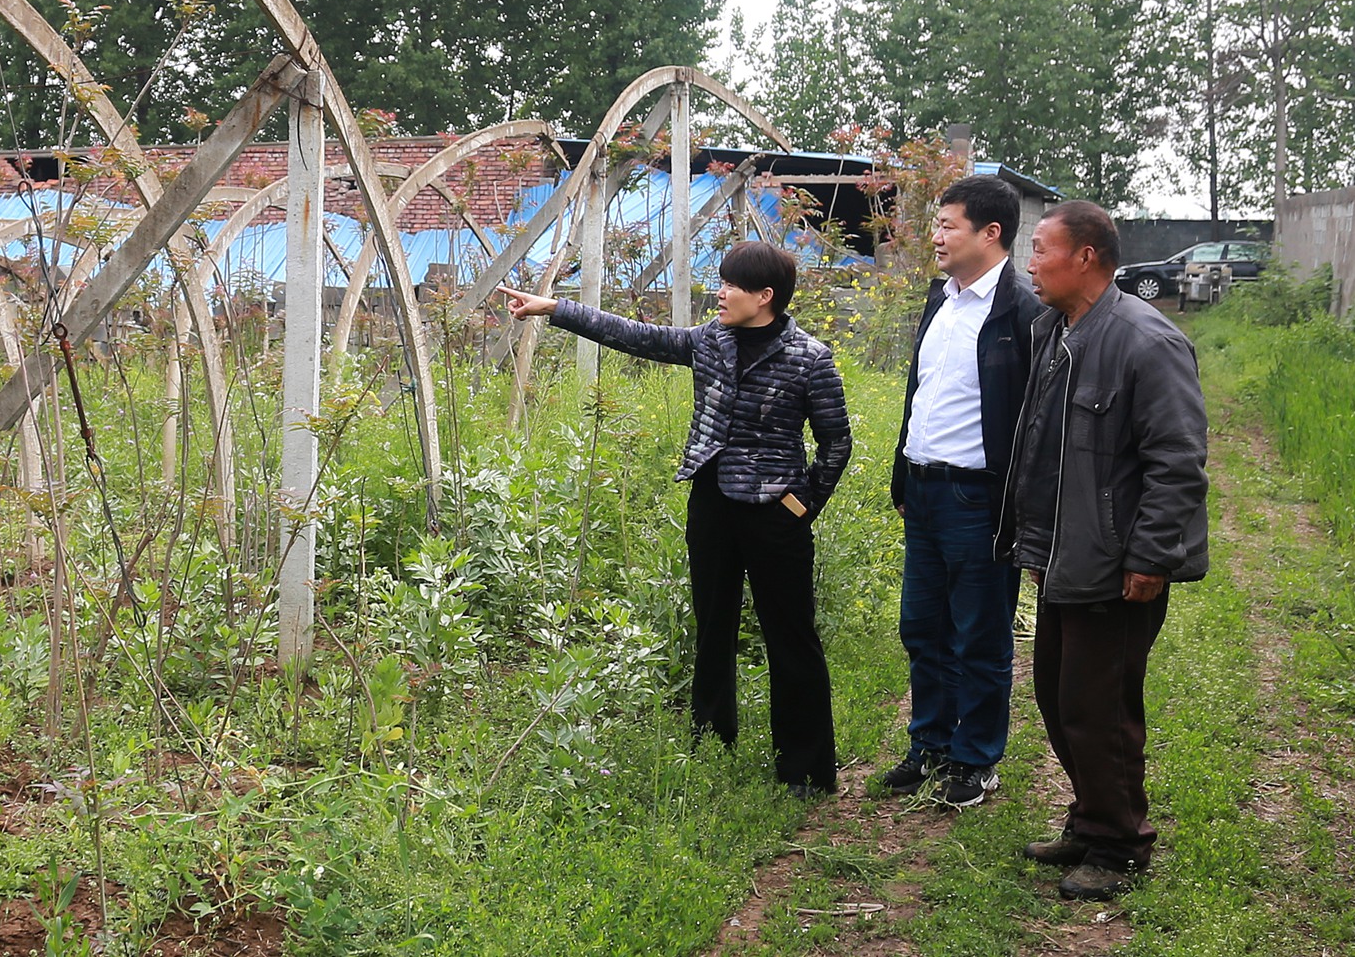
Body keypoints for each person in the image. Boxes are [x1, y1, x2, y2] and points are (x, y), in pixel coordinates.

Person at [500, 240, 852, 798]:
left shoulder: (809, 357)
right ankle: (712, 740)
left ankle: (806, 769)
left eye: (731, 285)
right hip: (711, 503)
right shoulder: (711, 339)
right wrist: (554, 309)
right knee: (712, 625)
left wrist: (800, 506)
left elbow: (836, 443)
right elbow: (637, 336)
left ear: (764, 296)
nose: (720, 293)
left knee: (791, 636)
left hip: (774, 514)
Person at [999, 201, 1209, 902]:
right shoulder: (1054, 333)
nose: (1030, 262)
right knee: (1061, 699)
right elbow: (1044, 455)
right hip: (1067, 554)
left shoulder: (1147, 341)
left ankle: (1120, 846)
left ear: (1085, 256)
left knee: (1101, 708)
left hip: (1117, 563)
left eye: (1042, 248)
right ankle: (1091, 821)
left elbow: (1177, 462)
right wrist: (1035, 543)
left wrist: (1150, 556)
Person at [884, 175, 1044, 807]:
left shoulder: (1023, 312)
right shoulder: (942, 300)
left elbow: (1035, 420)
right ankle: (929, 743)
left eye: (947, 225)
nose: (936, 236)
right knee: (922, 627)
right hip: (924, 492)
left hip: (980, 500)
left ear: (990, 233)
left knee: (979, 634)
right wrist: (903, 473)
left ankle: (975, 758)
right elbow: (920, 395)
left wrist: (1024, 507)